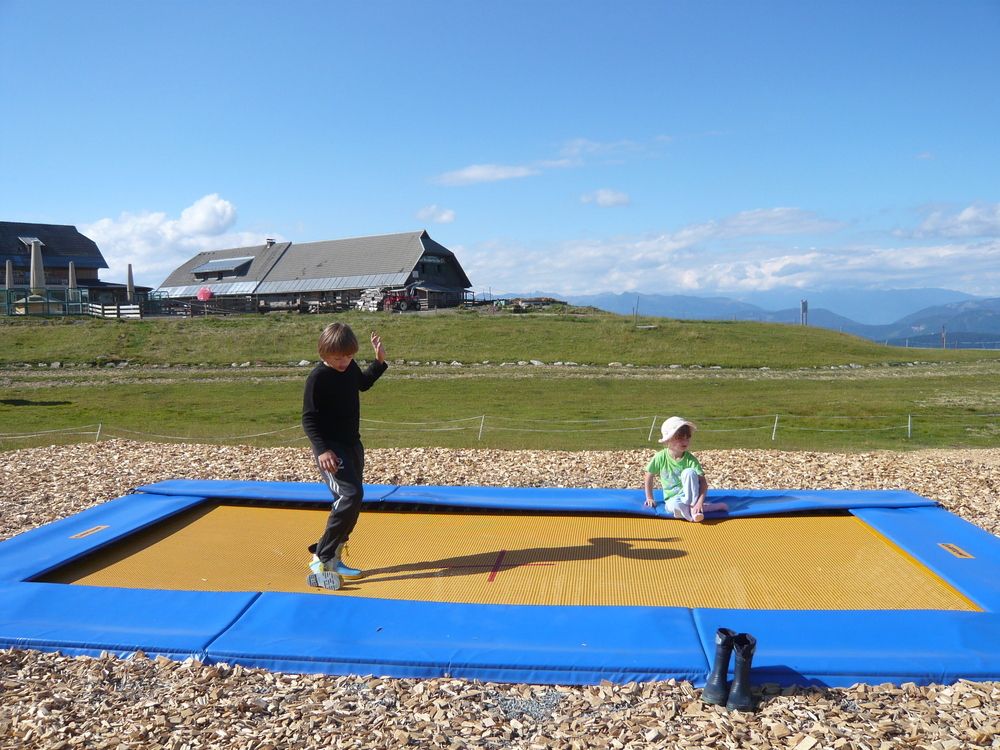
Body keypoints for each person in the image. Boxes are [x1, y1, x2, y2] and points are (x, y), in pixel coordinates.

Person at [302, 322, 388, 589]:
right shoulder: (318, 378)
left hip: (352, 445)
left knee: (354, 499)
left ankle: (333, 556)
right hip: (331, 450)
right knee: (348, 495)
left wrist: (379, 362)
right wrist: (322, 450)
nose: (343, 362)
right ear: (324, 354)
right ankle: (321, 557)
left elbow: (363, 383)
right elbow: (308, 419)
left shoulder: (349, 368)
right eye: (337, 358)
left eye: (348, 357)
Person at [643, 416, 727, 522]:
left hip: (691, 497)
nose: (685, 441)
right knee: (672, 507)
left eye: (687, 438)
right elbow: (649, 476)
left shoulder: (690, 460)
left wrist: (699, 502)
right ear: (668, 440)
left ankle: (693, 507)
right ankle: (702, 509)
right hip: (673, 498)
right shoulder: (660, 457)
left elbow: (703, 483)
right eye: (680, 438)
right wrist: (649, 497)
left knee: (689, 472)